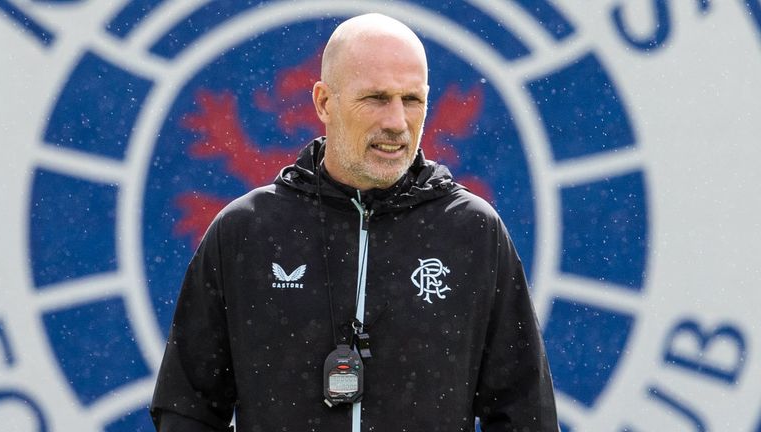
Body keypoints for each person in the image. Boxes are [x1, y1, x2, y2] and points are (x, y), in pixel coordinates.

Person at [150, 13, 558, 432]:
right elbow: (187, 408)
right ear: (324, 102)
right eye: (377, 98)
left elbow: (525, 414)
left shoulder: (474, 232)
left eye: (412, 100)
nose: (397, 122)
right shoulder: (245, 231)